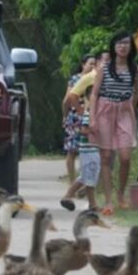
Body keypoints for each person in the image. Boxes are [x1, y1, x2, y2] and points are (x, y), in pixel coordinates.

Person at [90, 32, 138, 215]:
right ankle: (109, 201)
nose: (123, 46)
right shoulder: (104, 67)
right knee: (105, 156)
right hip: (105, 109)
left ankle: (121, 195)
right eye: (119, 43)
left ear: (131, 46)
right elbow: (94, 93)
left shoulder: (135, 69)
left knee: (125, 156)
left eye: (126, 43)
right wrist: (93, 117)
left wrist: (130, 111)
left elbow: (136, 93)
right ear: (114, 46)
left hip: (124, 110)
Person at [62, 54, 96, 184]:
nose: (93, 66)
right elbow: (67, 99)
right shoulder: (75, 79)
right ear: (83, 64)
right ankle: (72, 182)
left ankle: (85, 182)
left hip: (93, 117)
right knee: (72, 151)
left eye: (95, 64)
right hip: (75, 117)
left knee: (88, 151)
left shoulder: (97, 79)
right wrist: (65, 116)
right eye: (90, 63)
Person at [60, 108, 99, 211]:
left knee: (87, 176)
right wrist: (98, 130)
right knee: (88, 177)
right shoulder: (90, 112)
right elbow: (84, 130)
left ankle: (70, 195)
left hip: (93, 148)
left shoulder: (99, 112)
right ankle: (91, 203)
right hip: (89, 149)